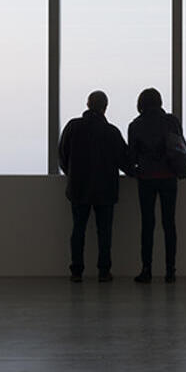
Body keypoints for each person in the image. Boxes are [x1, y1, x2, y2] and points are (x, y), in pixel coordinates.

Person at [57, 90, 133, 283]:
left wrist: (72, 174)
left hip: (78, 187)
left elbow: (62, 156)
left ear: (88, 104)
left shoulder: (73, 127)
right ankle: (104, 271)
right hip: (105, 190)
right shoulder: (111, 132)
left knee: (78, 229)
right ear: (105, 107)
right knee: (104, 231)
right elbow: (124, 161)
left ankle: (76, 271)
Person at [127, 88, 184, 283]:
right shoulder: (172, 121)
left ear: (141, 103)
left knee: (147, 224)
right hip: (169, 177)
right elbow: (180, 146)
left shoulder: (135, 125)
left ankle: (147, 270)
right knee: (169, 224)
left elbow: (131, 157)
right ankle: (170, 271)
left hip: (147, 179)